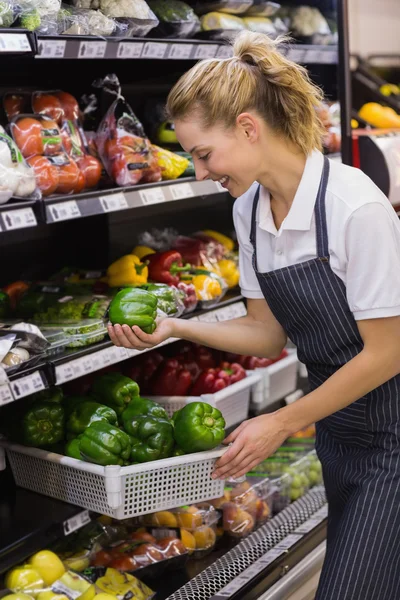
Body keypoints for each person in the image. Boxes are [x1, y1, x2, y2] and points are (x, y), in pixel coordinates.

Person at [108, 32, 400, 599]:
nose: (198, 172)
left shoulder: (353, 207)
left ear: (247, 127)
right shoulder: (248, 210)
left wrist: (282, 421)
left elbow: (388, 351)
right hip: (339, 436)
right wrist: (175, 328)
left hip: (393, 435)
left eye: (203, 154)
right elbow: (266, 335)